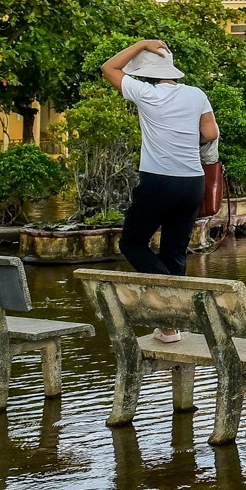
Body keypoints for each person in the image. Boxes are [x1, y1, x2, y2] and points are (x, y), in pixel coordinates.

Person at [103, 39, 218, 343]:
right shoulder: (196, 94)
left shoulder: (145, 93)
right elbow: (210, 133)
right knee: (174, 251)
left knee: (132, 243)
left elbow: (108, 68)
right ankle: (171, 327)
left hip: (158, 181)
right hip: (193, 181)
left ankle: (169, 298)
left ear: (146, 74)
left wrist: (141, 43)